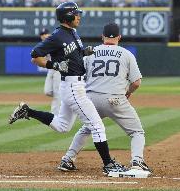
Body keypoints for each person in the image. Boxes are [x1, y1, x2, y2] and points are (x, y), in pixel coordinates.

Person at [8, 2, 129, 176]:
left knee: (63, 126)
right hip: (73, 86)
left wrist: (83, 53)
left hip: (75, 85)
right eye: (76, 13)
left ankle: (28, 111)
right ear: (68, 16)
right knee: (97, 125)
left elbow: (73, 54)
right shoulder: (57, 36)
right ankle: (108, 164)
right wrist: (53, 64)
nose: (79, 16)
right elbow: (34, 56)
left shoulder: (72, 33)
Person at [57, 23, 152, 174]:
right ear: (119, 37)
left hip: (91, 98)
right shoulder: (126, 54)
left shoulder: (90, 53)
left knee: (87, 128)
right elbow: (136, 82)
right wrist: (128, 92)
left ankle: (67, 159)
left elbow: (80, 77)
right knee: (136, 132)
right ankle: (137, 161)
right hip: (115, 100)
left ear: (102, 37)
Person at [39, 28, 61, 115]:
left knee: (57, 94)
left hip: (58, 69)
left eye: (46, 34)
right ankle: (64, 97)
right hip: (51, 70)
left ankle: (54, 115)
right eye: (42, 34)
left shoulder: (53, 41)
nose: (44, 35)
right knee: (47, 91)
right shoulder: (43, 44)